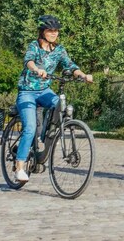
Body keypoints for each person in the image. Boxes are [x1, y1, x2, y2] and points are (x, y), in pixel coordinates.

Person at [13, 15, 92, 184]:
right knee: (30, 127)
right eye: (50, 30)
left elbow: (70, 65)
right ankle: (19, 167)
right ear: (42, 32)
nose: (54, 33)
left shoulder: (59, 50)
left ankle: (46, 136)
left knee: (61, 105)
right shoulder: (34, 46)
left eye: (56, 31)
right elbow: (29, 61)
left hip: (45, 91)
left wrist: (83, 75)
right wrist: (36, 69)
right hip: (27, 92)